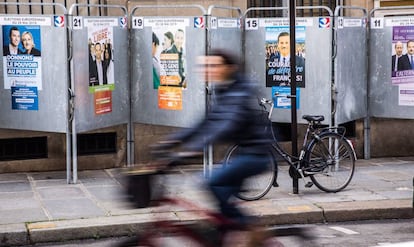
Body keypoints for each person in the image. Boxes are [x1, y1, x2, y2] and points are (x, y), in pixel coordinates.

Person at [155, 49, 272, 235]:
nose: (209, 69)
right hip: (244, 153)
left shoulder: (240, 92)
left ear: (230, 68)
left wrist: (194, 149)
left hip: (255, 155)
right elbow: (205, 122)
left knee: (211, 182)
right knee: (221, 208)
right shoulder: (224, 89)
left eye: (214, 65)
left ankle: (248, 225)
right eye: (206, 65)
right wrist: (171, 141)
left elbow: (226, 124)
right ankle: (229, 232)